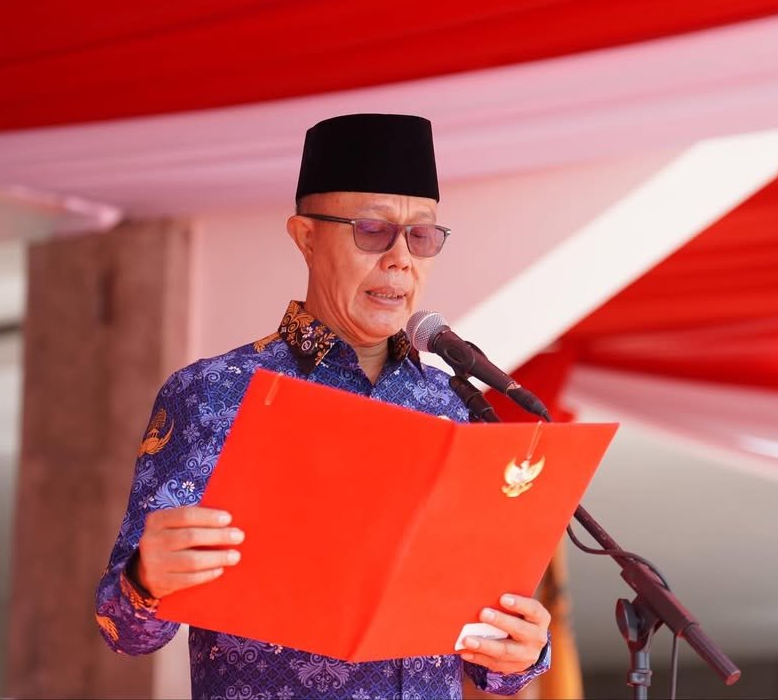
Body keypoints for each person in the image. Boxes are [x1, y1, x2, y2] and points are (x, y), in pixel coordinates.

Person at [95, 114, 552, 699]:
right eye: (372, 231)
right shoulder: (216, 392)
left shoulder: (454, 405)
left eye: (421, 236)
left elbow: (489, 661)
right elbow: (123, 629)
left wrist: (521, 650)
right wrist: (146, 579)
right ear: (306, 237)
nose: (401, 259)